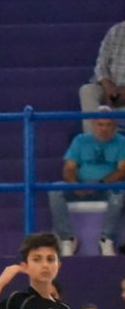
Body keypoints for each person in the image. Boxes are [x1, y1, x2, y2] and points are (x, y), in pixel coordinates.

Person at [48, 108, 125, 258]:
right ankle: (67, 239)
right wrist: (75, 184)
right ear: (93, 124)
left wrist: (100, 184)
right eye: (100, 124)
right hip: (79, 186)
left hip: (106, 187)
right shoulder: (80, 140)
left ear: (115, 125)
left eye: (108, 125)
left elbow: (122, 170)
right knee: (55, 190)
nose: (104, 129)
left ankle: (106, 239)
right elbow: (69, 168)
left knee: (120, 192)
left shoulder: (122, 142)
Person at [80, 20, 125, 126]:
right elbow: (101, 65)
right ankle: (93, 139)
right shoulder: (115, 31)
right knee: (87, 91)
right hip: (111, 89)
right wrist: (108, 88)